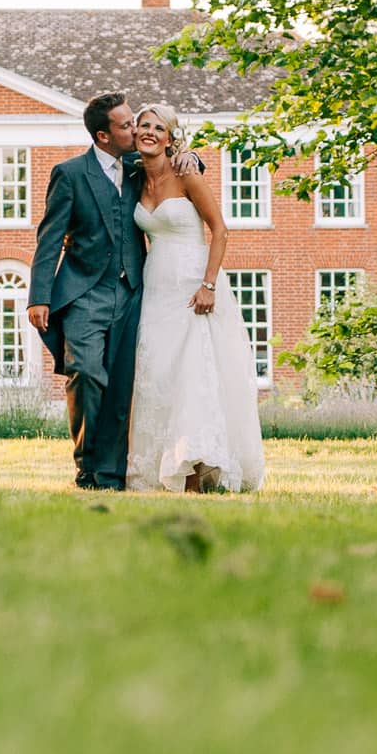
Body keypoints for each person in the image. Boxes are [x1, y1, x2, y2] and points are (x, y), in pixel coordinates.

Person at [123, 104, 266, 493]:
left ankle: (196, 472)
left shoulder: (187, 173)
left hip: (193, 284)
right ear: (135, 133)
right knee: (159, 374)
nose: (149, 132)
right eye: (143, 126)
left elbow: (220, 230)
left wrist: (209, 285)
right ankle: (164, 465)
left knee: (195, 374)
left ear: (171, 138)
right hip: (156, 288)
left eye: (159, 128)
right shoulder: (134, 176)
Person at [28, 92, 146, 490]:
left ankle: (110, 474)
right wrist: (39, 295)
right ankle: (86, 464)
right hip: (84, 293)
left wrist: (189, 158)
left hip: (132, 292)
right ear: (103, 135)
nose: (135, 129)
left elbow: (184, 171)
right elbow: (50, 236)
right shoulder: (71, 173)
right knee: (86, 374)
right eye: (126, 125)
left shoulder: (138, 167)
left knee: (122, 384)